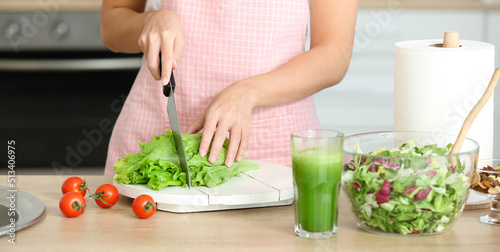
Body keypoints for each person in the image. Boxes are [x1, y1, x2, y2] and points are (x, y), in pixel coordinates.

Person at [101, 0, 358, 175]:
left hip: (270, 147)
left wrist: (249, 92)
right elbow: (113, 23)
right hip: (158, 135)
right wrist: (152, 20)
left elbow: (334, 51)